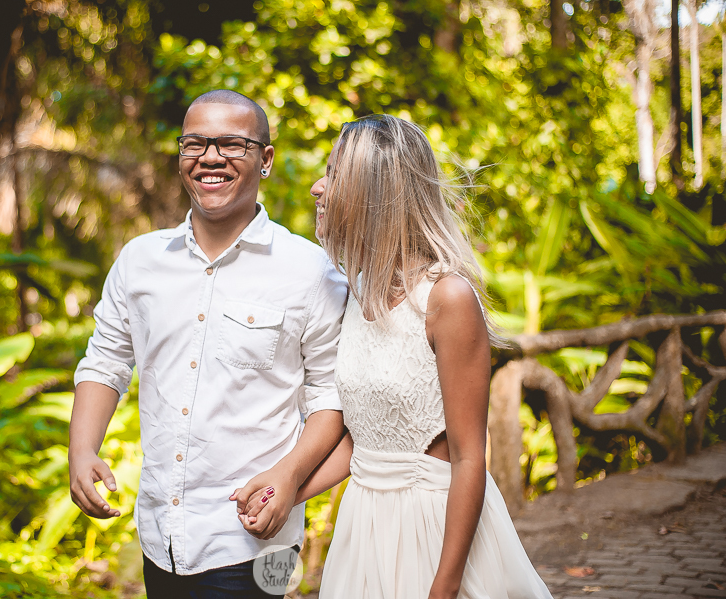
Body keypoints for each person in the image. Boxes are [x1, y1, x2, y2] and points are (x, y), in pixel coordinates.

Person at [236, 115, 553, 598]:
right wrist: (287, 491)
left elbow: (470, 458)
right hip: (364, 527)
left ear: (374, 190)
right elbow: (366, 439)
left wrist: (444, 587)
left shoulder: (447, 299)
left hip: (433, 529)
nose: (318, 188)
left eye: (334, 173)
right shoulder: (358, 294)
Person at [68, 89, 348, 598]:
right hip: (161, 535)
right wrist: (82, 447)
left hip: (261, 539)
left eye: (231, 145)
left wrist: (287, 480)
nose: (210, 157)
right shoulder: (140, 261)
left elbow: (331, 402)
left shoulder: (312, 272)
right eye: (194, 144)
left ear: (264, 160)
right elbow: (106, 359)